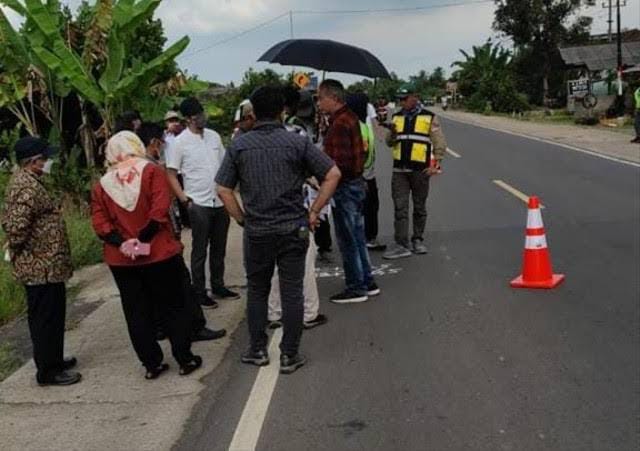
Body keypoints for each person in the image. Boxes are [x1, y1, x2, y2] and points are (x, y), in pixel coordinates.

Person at [216, 86, 341, 374]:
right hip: (293, 229)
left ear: (253, 113)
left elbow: (223, 189)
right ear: (282, 111)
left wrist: (242, 219)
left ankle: (257, 349)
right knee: (292, 292)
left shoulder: (239, 146)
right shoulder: (296, 142)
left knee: (258, 290)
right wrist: (313, 210)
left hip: (257, 231)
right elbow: (332, 174)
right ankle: (289, 355)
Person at [91, 131, 202, 379]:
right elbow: (160, 209)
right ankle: (185, 359)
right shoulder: (151, 172)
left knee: (136, 311)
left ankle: (151, 364)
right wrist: (142, 239)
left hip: (122, 259)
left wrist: (123, 243)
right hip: (158, 252)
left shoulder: (102, 184)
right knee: (173, 306)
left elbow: (100, 222)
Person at [1, 137, 82, 387]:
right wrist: (15, 249)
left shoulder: (33, 181)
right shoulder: (24, 186)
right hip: (38, 266)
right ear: (33, 161)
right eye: (44, 159)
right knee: (45, 318)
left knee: (54, 315)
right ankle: (47, 371)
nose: (48, 162)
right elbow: (16, 227)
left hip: (48, 265)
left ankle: (54, 360)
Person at [137, 123, 227, 343]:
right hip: (160, 239)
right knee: (180, 283)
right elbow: (160, 208)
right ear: (154, 143)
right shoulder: (151, 170)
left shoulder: (126, 173)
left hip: (141, 241)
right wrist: (173, 232)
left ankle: (160, 327)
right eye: (161, 141)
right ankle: (193, 328)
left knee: (153, 286)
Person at [166, 97, 240, 309]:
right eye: (199, 115)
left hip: (219, 200)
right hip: (197, 202)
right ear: (189, 119)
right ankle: (199, 292)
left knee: (220, 247)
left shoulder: (214, 137)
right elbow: (171, 174)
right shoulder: (179, 143)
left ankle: (218, 285)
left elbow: (226, 164)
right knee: (200, 250)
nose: (203, 118)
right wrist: (184, 199)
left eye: (203, 113)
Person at [317, 80, 379, 304]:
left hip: (345, 186)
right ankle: (367, 280)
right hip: (355, 183)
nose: (318, 102)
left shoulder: (341, 122)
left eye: (320, 97)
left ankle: (356, 286)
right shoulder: (350, 118)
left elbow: (340, 163)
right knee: (358, 237)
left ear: (332, 97)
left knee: (348, 239)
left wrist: (324, 172)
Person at [383, 84, 447, 260]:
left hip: (420, 171)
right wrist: (392, 132)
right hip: (400, 170)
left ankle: (417, 239)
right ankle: (401, 243)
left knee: (419, 207)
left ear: (415, 97)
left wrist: (436, 164)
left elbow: (439, 142)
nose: (401, 102)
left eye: (405, 99)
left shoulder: (429, 117)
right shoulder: (396, 117)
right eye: (399, 99)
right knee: (400, 208)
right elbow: (389, 143)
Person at [347, 92, 386, 252]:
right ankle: (362, 239)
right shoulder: (358, 127)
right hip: (360, 176)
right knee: (362, 208)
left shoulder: (358, 125)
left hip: (367, 174)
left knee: (365, 208)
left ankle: (365, 238)